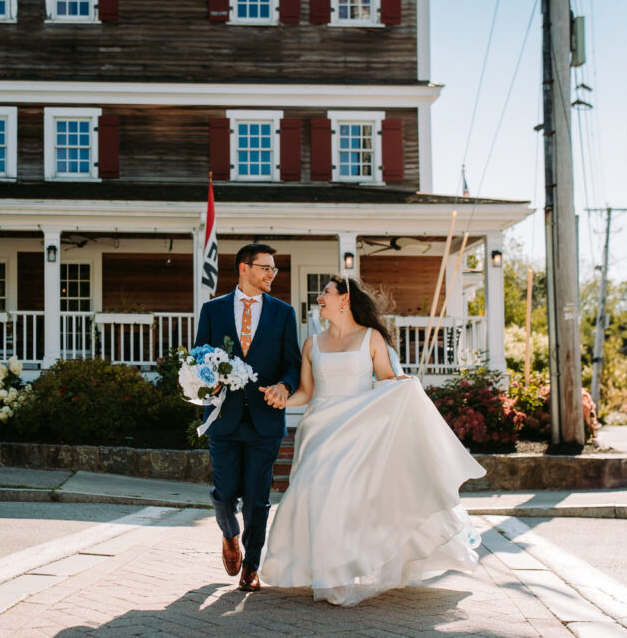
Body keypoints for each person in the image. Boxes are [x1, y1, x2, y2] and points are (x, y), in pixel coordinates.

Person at [259, 275, 486, 606]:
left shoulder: (372, 338)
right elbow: (307, 393)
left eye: (325, 292)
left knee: (344, 501)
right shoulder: (312, 344)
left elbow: (387, 383)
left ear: (345, 299)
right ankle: (325, 569)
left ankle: (334, 576)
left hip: (358, 430)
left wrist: (404, 384)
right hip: (319, 430)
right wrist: (282, 399)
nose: (319, 298)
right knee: (313, 493)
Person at [194, 243, 301, 592]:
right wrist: (203, 386)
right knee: (224, 494)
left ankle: (252, 566)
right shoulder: (213, 310)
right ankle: (229, 535)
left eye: (274, 269)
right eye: (265, 267)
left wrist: (285, 386)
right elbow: (200, 359)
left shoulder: (283, 313)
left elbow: (293, 363)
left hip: (265, 421)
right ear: (244, 268)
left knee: (257, 498)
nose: (272, 274)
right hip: (223, 417)